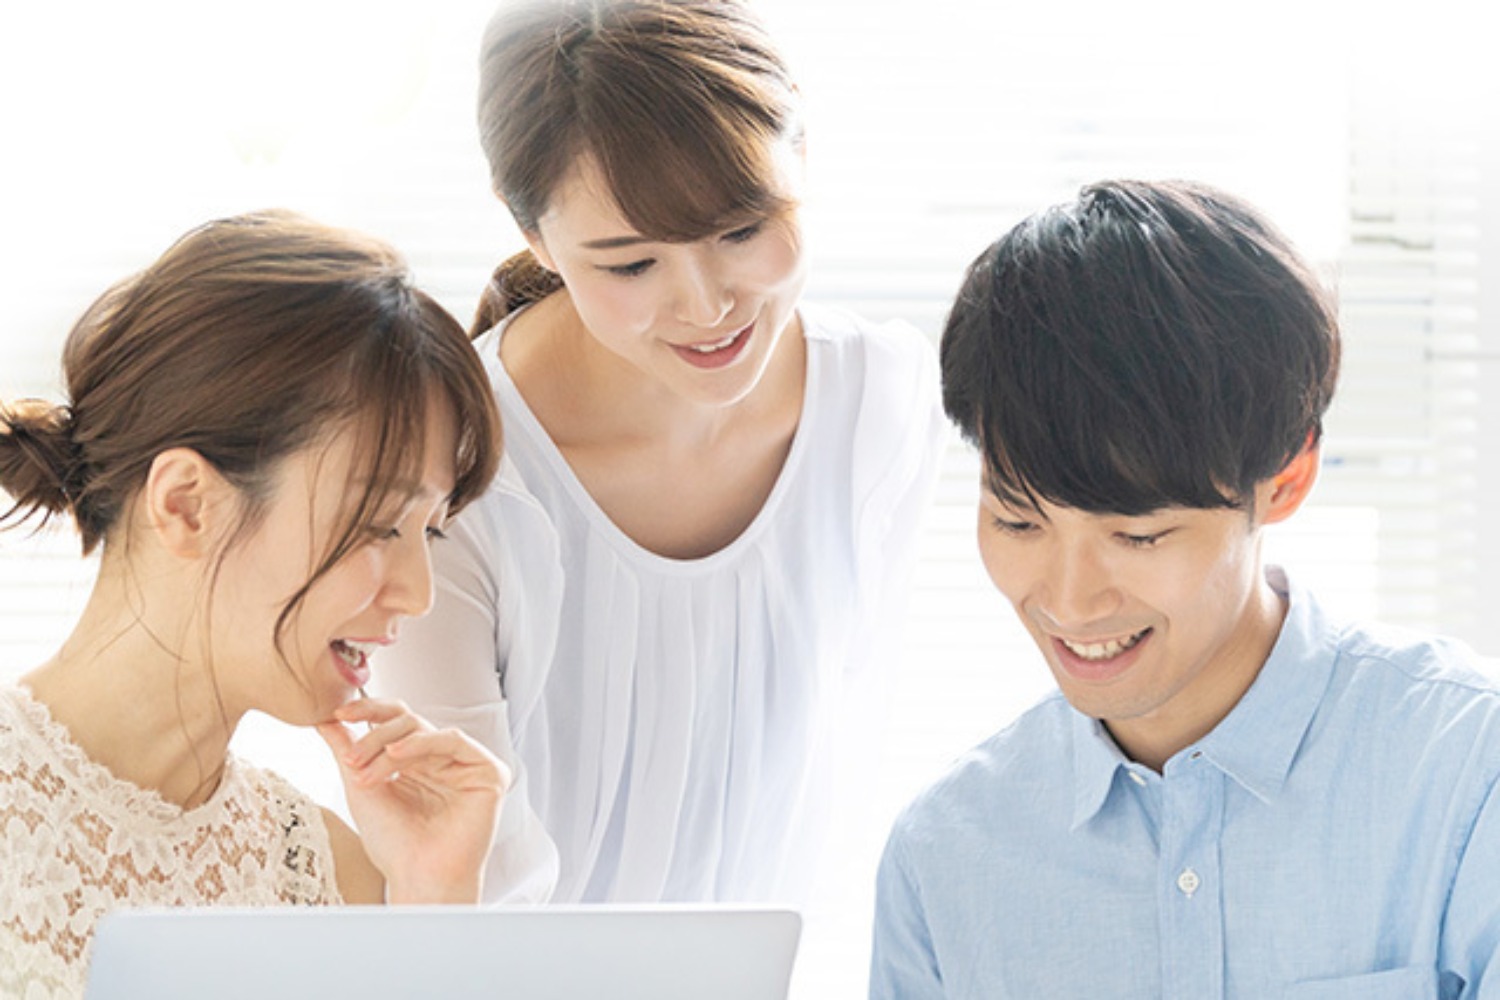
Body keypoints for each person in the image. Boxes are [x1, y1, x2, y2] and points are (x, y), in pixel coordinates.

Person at [374, 0, 947, 904]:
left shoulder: (879, 403)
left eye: (741, 231)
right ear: (534, 237)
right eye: (632, 265)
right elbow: (458, 875)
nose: (706, 305)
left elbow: (834, 788)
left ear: (802, 154)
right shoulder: (447, 469)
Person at [869, 180, 1500, 997]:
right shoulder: (944, 857)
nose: (1069, 600)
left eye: (1138, 536)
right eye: (1019, 523)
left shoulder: (1466, 772)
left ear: (1285, 479)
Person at [0, 210, 509, 998]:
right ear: (187, 505)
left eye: (430, 532)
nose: (418, 593)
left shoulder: (330, 875)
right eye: (379, 523)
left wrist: (435, 899)